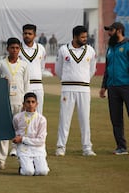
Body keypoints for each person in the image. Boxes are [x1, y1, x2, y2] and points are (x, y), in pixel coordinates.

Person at [55, 25, 97, 157]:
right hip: (67, 88)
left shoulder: (90, 50)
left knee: (85, 119)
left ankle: (87, 147)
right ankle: (61, 147)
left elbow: (92, 70)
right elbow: (58, 70)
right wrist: (68, 80)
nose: (85, 39)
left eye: (86, 36)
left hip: (84, 89)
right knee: (64, 119)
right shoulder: (63, 50)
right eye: (82, 37)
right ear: (75, 36)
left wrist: (83, 80)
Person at [0, 37, 29, 169]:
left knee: (20, 132)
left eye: (17, 48)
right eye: (12, 48)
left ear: (20, 49)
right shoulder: (1, 64)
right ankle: (1, 160)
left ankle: (22, 159)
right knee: (3, 131)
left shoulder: (24, 65)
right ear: (7, 49)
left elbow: (26, 85)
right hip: (5, 103)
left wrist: (26, 103)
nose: (14, 50)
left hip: (19, 103)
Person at [12, 24, 46, 157]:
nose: (27, 36)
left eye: (30, 33)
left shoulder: (41, 48)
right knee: (20, 116)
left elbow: (41, 67)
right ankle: (15, 146)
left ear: (35, 35)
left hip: (38, 85)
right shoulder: (18, 49)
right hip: (23, 86)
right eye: (25, 33)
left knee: (38, 116)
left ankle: (40, 147)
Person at [100, 22, 129, 155]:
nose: (108, 33)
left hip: (126, 86)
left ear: (119, 30)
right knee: (116, 119)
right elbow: (107, 68)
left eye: (110, 30)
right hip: (113, 87)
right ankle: (121, 147)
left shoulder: (127, 45)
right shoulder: (110, 48)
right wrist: (103, 86)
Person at [12, 92, 49, 176]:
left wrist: (23, 139)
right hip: (23, 148)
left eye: (33, 102)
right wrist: (17, 140)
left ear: (37, 104)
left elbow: (41, 140)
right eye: (28, 102)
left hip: (38, 148)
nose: (30, 104)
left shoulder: (41, 119)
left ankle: (36, 165)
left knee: (42, 172)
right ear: (23, 104)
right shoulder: (17, 117)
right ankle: (23, 167)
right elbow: (15, 131)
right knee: (28, 172)